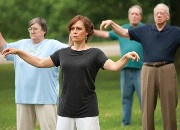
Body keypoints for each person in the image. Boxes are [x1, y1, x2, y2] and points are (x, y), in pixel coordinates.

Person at [2, 15, 140, 130]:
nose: (74, 31)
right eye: (72, 28)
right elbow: (39, 62)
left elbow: (115, 66)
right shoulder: (62, 53)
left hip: (87, 109)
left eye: (78, 28)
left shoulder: (95, 53)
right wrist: (19, 51)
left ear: (87, 32)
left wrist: (125, 57)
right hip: (65, 110)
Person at [99, 3, 180, 130]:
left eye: (162, 13)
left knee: (169, 106)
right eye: (156, 13)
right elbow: (124, 33)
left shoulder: (175, 32)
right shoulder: (145, 30)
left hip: (167, 69)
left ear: (168, 16)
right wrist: (113, 24)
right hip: (148, 69)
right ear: (153, 16)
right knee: (147, 106)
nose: (159, 15)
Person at [0, 17, 68, 130]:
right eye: (30, 28)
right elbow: (3, 47)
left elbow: (71, 51)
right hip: (23, 97)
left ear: (44, 31)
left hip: (45, 98)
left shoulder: (53, 45)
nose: (32, 31)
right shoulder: (21, 44)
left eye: (35, 28)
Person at [94, 5, 143, 126]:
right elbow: (105, 35)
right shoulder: (122, 29)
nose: (134, 16)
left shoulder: (145, 29)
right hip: (125, 69)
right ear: (129, 15)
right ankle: (125, 122)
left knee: (144, 98)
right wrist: (89, 30)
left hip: (142, 69)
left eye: (137, 14)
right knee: (125, 98)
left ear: (140, 16)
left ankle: (147, 122)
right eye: (132, 13)